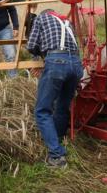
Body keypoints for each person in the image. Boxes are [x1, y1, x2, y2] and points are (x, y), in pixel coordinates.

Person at [27, 9, 83, 169]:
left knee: (42, 110)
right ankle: (57, 137)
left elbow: (31, 45)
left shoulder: (41, 18)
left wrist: (38, 55)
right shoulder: (66, 21)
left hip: (57, 63)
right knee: (62, 106)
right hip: (76, 65)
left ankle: (56, 156)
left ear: (45, 13)